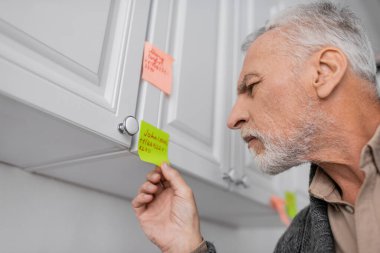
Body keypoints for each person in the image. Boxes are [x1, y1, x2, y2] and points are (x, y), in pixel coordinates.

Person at [132, 1, 380, 252]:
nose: (233, 119)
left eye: (251, 86)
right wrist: (186, 246)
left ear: (324, 72)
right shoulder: (296, 241)